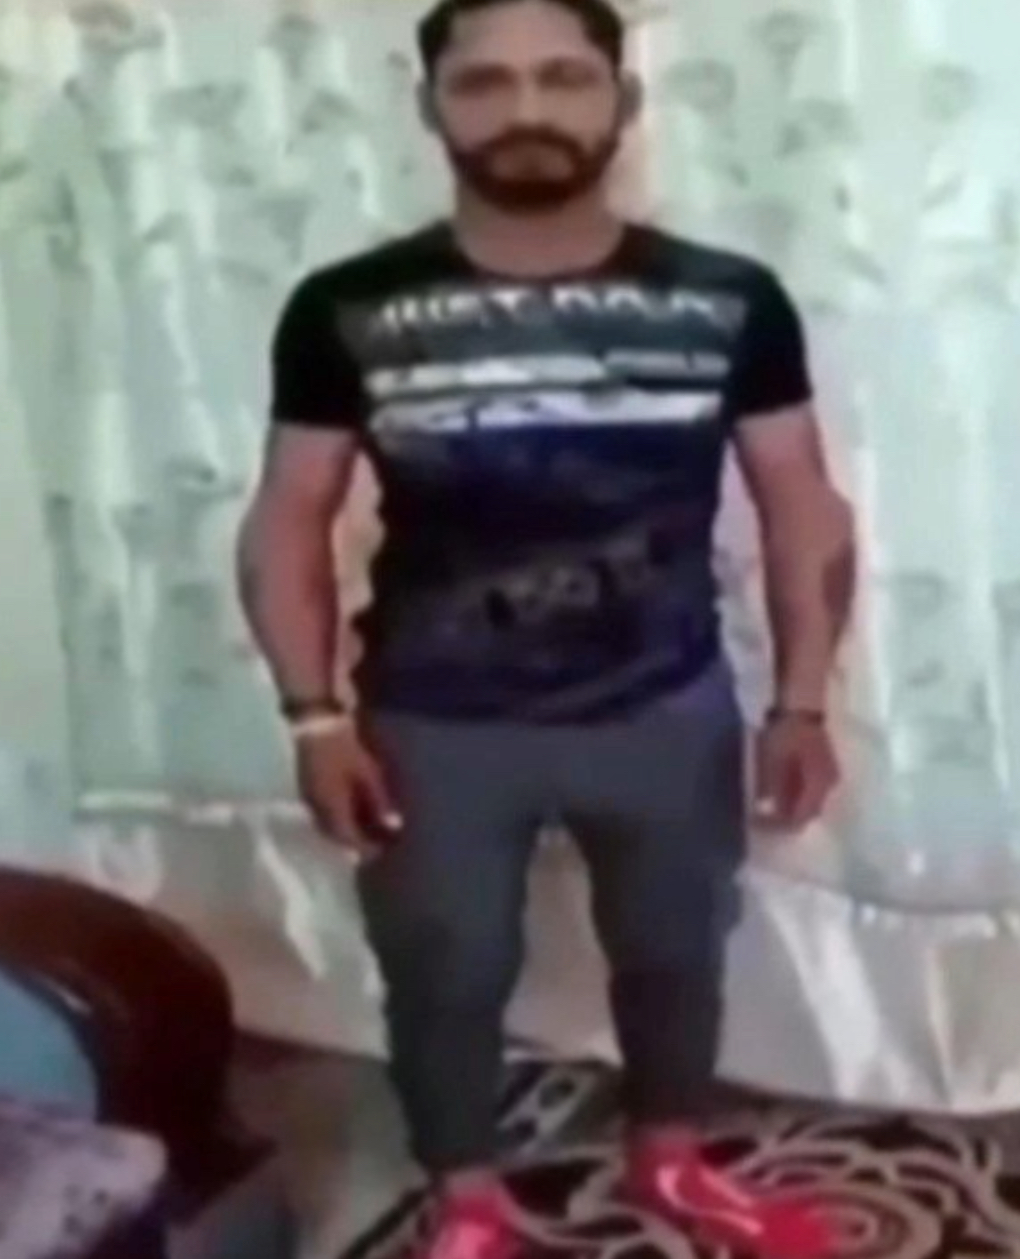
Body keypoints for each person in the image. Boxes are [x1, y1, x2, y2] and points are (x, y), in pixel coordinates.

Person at [237, 0, 856, 1255]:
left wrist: (802, 701)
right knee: (444, 968)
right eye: (486, 83)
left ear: (622, 101)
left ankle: (671, 1161)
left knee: (678, 951)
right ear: (431, 106)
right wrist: (313, 718)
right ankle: (467, 1200)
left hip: (666, 703)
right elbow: (289, 515)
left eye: (565, 78)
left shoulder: (729, 299)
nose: (527, 109)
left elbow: (802, 503)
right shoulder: (344, 307)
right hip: (434, 721)